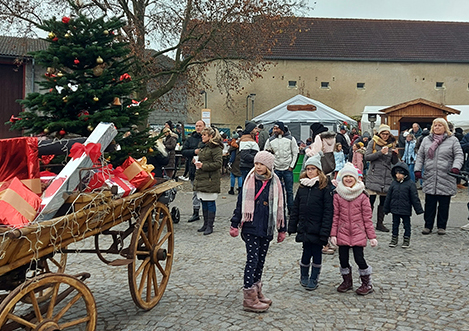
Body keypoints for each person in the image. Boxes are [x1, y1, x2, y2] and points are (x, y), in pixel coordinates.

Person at [229, 151, 286, 312]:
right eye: (256, 164)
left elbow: (282, 206)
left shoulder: (275, 182)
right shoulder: (249, 181)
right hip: (251, 227)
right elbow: (241, 204)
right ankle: (248, 296)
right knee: (252, 261)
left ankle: (257, 291)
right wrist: (234, 224)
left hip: (267, 227)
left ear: (269, 166)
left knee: (261, 261)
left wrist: (282, 229)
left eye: (261, 164)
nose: (258, 167)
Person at [330, 163, 378, 295]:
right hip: (343, 232)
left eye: (351, 177)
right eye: (346, 177)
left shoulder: (362, 196)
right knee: (343, 259)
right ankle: (347, 281)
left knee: (359, 259)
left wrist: (372, 236)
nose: (348, 179)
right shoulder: (337, 195)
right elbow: (335, 216)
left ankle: (366, 283)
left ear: (356, 179)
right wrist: (333, 234)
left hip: (358, 232)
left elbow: (367, 218)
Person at [288, 154, 333, 290]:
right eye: (308, 169)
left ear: (318, 170)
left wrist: (325, 231)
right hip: (305, 226)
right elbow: (296, 207)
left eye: (313, 169)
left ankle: (314, 278)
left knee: (317, 253)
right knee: (306, 252)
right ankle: (304, 275)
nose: (310, 171)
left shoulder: (324, 187)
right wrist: (292, 225)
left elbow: (328, 211)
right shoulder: (302, 187)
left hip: (318, 227)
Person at [415, 118, 464, 235]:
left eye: (440, 125)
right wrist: (417, 169)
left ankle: (442, 226)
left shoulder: (453, 140)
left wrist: (456, 167)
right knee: (429, 204)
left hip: (446, 176)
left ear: (445, 127)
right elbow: (420, 156)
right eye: (435, 125)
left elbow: (459, 155)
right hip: (430, 176)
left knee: (444, 204)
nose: (437, 127)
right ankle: (428, 226)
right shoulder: (426, 140)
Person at [364, 124, 398, 232]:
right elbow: (367, 157)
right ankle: (367, 224)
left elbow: (394, 162)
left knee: (383, 202)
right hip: (374, 175)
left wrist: (395, 155)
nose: (385, 136)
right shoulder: (373, 142)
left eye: (387, 134)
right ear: (379, 133)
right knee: (370, 202)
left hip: (386, 176)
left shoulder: (392, 144)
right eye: (383, 133)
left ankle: (380, 223)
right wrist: (380, 153)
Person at [384, 162, 424, 248]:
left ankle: (406, 239)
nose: (398, 175)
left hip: (405, 209)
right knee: (395, 225)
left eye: (400, 173)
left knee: (406, 225)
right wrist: (386, 208)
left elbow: (414, 198)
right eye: (397, 173)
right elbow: (388, 197)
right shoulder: (393, 183)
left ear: (405, 174)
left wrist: (419, 209)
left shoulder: (410, 184)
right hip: (395, 209)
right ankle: (394, 239)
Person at [193, 126, 223, 235]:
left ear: (210, 136)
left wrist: (203, 165)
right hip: (202, 178)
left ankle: (210, 225)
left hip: (210, 179)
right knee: (203, 202)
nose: (202, 136)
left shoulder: (216, 148)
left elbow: (218, 163)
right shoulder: (204, 147)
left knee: (210, 202)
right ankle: (205, 224)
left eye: (204, 135)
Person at [264, 121, 299, 214]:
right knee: (276, 190)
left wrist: (291, 166)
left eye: (277, 128)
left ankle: (291, 210)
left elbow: (295, 153)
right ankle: (279, 209)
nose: (275, 130)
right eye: (274, 128)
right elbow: (266, 154)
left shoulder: (291, 139)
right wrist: (271, 167)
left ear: (281, 129)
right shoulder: (270, 140)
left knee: (289, 191)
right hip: (276, 169)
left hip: (287, 168)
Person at [181, 120, 205, 222]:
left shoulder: (207, 139)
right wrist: (193, 152)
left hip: (204, 169)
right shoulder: (190, 139)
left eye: (200, 126)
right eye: (196, 126)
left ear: (204, 127)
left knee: (204, 192)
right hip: (192, 169)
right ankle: (195, 212)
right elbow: (183, 151)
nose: (198, 127)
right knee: (195, 192)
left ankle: (206, 213)